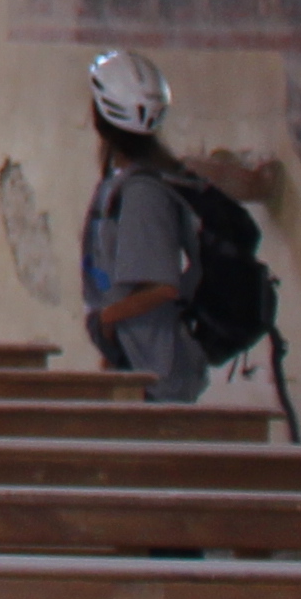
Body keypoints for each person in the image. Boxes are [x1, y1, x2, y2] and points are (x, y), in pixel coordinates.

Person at [79, 46, 210, 403]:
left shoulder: (142, 193)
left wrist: (107, 319)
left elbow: (161, 286)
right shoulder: (122, 183)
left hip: (155, 377)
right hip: (137, 363)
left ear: (98, 116)